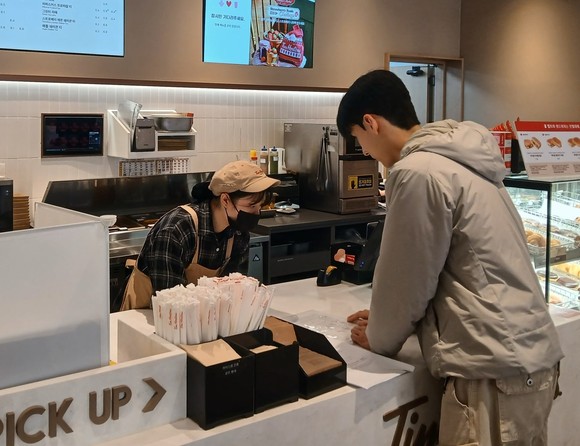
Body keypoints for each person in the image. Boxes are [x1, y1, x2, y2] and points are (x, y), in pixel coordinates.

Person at [337, 70, 563, 446]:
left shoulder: (417, 172)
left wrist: (378, 336)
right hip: (529, 361)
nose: (366, 153)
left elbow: (406, 283)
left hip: (492, 372)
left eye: (359, 140)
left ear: (371, 123)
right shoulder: (464, 161)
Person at [120, 160, 279, 311]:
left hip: (198, 319)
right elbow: (170, 300)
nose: (257, 213)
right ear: (225, 200)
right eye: (251, 205)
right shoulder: (177, 229)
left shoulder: (238, 233)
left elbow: (233, 294)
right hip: (147, 316)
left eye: (260, 206)